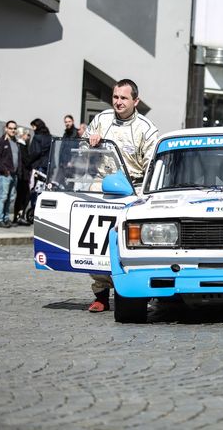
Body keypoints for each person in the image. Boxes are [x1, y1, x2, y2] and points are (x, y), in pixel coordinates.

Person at [84, 78, 159, 313]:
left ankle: (131, 291)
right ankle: (101, 295)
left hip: (132, 190)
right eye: (115, 97)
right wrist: (90, 142)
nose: (118, 102)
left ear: (135, 101)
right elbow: (82, 151)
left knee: (131, 243)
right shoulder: (101, 120)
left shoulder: (147, 129)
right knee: (96, 244)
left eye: (124, 98)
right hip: (101, 186)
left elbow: (153, 167)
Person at [0, 121, 22, 228]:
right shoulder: (1, 142)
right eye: (10, 128)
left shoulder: (16, 143)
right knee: (3, 197)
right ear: (6, 129)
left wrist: (18, 172)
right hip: (4, 175)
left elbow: (18, 159)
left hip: (14, 175)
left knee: (10, 197)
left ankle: (5, 219)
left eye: (14, 128)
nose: (13, 130)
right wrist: (4, 170)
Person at [12, 126, 32, 226]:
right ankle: (18, 216)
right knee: (22, 196)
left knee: (24, 196)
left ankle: (20, 216)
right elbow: (26, 160)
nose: (28, 137)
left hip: (24, 175)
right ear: (22, 135)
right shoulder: (20, 145)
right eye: (27, 134)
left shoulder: (22, 145)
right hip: (22, 175)